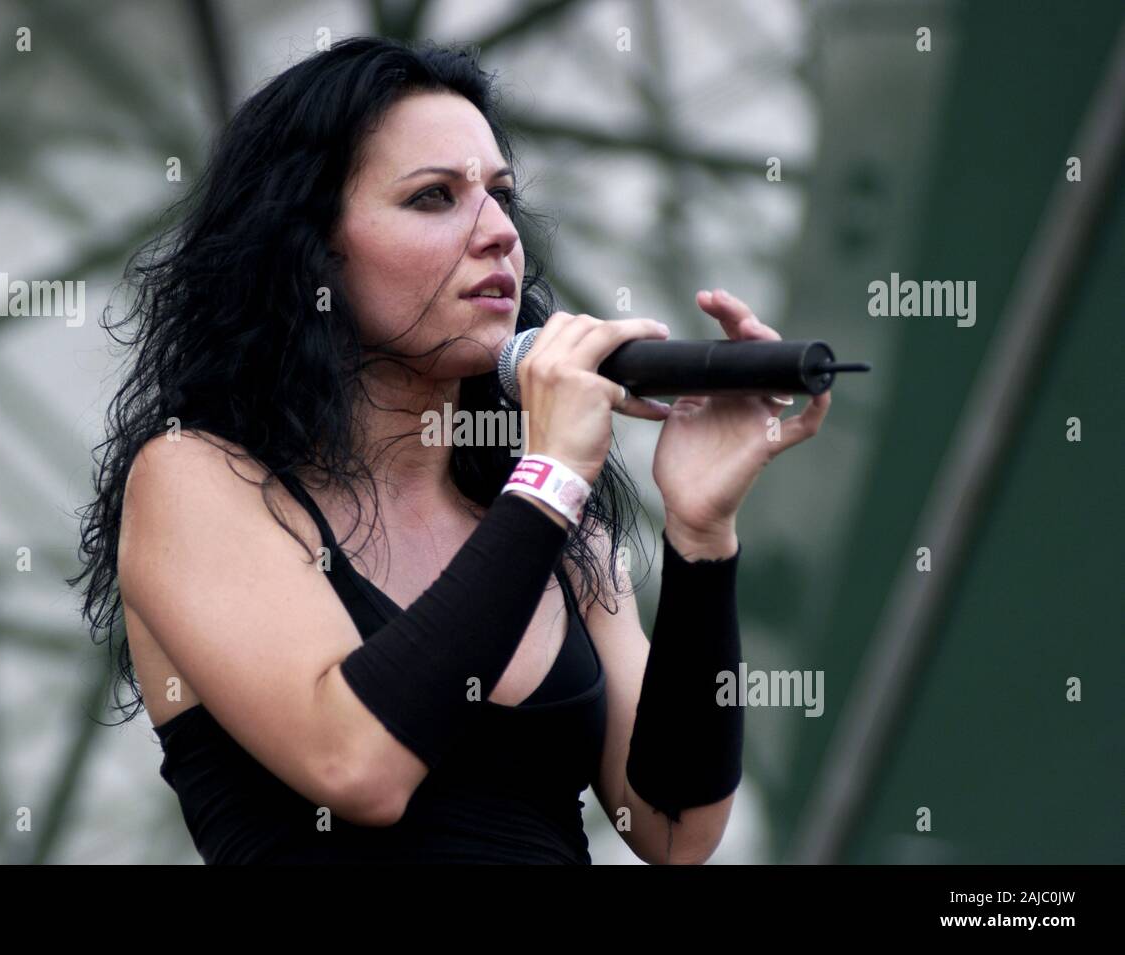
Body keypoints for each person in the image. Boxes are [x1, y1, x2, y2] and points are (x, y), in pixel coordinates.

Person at [68, 35, 830, 864]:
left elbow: (676, 827)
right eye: (434, 197)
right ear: (311, 248)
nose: (499, 231)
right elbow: (356, 762)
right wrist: (548, 481)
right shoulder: (196, 479)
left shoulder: (555, 526)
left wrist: (699, 536)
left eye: (501, 194)